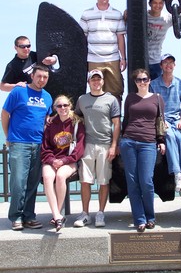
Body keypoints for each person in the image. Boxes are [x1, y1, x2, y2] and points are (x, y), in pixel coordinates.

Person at [1, 64, 53, 231]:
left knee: (32, 183)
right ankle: (15, 216)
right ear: (32, 76)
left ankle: (29, 216)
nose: (42, 80)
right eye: (39, 76)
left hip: (38, 145)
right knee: (18, 182)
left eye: (45, 77)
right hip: (19, 143)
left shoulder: (47, 97)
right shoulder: (18, 91)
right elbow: (4, 114)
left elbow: (46, 120)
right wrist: (8, 136)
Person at [73, 69, 121, 228]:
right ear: (89, 82)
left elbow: (116, 124)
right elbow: (76, 118)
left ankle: (100, 213)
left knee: (103, 181)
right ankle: (85, 213)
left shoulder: (111, 99)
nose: (96, 82)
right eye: (93, 79)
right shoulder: (82, 100)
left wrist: (114, 145)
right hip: (87, 144)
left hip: (105, 145)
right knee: (85, 180)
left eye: (98, 79)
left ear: (102, 81)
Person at [120, 68, 166, 232]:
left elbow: (160, 120)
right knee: (133, 183)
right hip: (129, 141)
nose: (142, 82)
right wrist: (121, 140)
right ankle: (139, 219)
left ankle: (150, 216)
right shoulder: (130, 98)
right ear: (135, 82)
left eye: (145, 79)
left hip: (148, 143)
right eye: (139, 80)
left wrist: (161, 140)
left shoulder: (157, 98)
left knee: (146, 181)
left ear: (149, 81)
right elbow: (126, 119)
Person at [41, 95, 85, 232]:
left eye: (65, 105)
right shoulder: (50, 125)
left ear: (70, 106)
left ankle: (57, 215)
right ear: (55, 108)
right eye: (59, 106)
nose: (63, 108)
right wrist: (52, 160)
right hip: (52, 160)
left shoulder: (77, 123)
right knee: (48, 177)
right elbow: (45, 146)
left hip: (69, 161)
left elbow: (80, 148)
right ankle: (57, 215)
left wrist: (64, 161)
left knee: (60, 176)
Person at [79, 0, 126, 103]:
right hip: (94, 58)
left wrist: (123, 58)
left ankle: (116, 120)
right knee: (95, 89)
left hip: (113, 57)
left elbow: (120, 37)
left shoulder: (117, 14)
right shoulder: (87, 14)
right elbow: (82, 38)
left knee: (116, 90)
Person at [150, 53, 181, 195]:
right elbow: (153, 107)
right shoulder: (153, 85)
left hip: (177, 120)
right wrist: (162, 120)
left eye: (171, 62)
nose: (168, 65)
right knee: (171, 137)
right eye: (165, 62)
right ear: (161, 66)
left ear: (174, 65)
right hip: (162, 120)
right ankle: (178, 174)